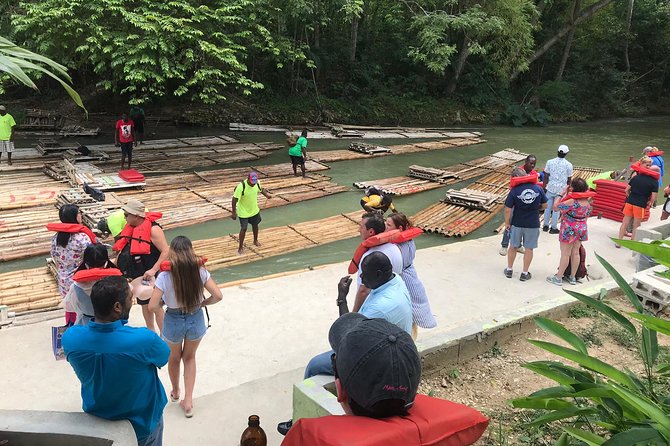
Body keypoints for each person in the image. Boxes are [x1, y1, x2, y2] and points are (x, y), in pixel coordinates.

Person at [278, 252, 411, 436]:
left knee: (315, 366)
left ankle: (300, 419)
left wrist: (342, 298)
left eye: (364, 273)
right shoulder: (395, 281)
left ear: (379, 274)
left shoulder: (380, 306)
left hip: (376, 356)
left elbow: (349, 340)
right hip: (393, 347)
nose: (361, 277)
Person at [62, 276, 170, 446]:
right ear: (117, 307)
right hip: (142, 423)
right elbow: (163, 357)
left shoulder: (71, 338)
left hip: (98, 421)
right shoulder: (143, 339)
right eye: (129, 298)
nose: (132, 301)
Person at [148, 236, 223, 418]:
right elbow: (218, 296)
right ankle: (188, 401)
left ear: (172, 252)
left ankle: (175, 392)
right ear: (191, 250)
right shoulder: (200, 272)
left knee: (174, 358)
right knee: (189, 358)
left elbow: (152, 306)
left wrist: (164, 306)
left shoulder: (165, 276)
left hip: (173, 319)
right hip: (195, 317)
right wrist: (203, 303)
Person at [112, 198, 169, 332]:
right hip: (139, 273)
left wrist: (154, 269)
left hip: (152, 272)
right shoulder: (132, 228)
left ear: (136, 215)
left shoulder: (154, 229)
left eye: (127, 215)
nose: (125, 218)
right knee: (144, 303)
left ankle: (164, 336)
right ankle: (151, 331)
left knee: (155, 306)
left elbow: (166, 251)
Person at [385, 213, 437, 339]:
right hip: (411, 276)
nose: (385, 226)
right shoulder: (409, 241)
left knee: (407, 314)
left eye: (388, 224)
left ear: (400, 229)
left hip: (405, 280)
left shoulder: (397, 247)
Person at [48, 204, 96, 324]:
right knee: (85, 308)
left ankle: (70, 328)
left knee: (69, 306)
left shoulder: (56, 238)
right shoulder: (82, 237)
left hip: (63, 278)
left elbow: (54, 257)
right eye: (79, 213)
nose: (81, 215)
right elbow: (91, 257)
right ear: (75, 216)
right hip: (80, 278)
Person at [351, 213, 403, 313]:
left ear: (371, 231)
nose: (359, 230)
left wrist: (354, 313)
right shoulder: (395, 249)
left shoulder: (369, 258)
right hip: (393, 302)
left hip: (375, 308)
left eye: (361, 227)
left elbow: (364, 291)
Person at [504, 168, 548, 281]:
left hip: (517, 222)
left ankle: (509, 270)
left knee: (513, 246)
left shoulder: (514, 191)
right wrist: (536, 208)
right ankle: (524, 273)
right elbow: (545, 205)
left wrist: (507, 223)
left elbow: (508, 209)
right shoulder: (538, 189)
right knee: (529, 248)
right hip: (533, 223)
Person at [546, 178, 592, 286]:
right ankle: (572, 277)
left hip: (569, 228)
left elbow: (556, 208)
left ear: (573, 188)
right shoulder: (587, 201)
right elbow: (587, 215)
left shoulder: (573, 201)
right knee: (575, 252)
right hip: (582, 228)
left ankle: (558, 277)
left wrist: (561, 194)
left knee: (565, 254)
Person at [64, 244, 122, 325]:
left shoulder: (76, 286)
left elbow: (71, 307)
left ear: (86, 264)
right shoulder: (118, 283)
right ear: (106, 262)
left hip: (86, 326)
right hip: (113, 326)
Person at [499, 154, 537, 256]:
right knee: (509, 223)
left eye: (534, 164)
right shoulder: (517, 173)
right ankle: (504, 245)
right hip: (515, 201)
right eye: (531, 163)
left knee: (520, 225)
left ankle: (519, 245)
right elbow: (513, 188)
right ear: (526, 162)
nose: (532, 166)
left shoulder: (533, 173)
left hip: (525, 203)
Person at [617, 160, 658, 244]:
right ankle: (632, 243)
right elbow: (653, 197)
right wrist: (650, 202)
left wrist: (630, 197)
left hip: (630, 202)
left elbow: (626, 190)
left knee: (624, 223)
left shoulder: (636, 177)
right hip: (640, 204)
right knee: (636, 225)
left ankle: (619, 242)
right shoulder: (654, 182)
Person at [231, 171, 272, 255]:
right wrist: (233, 212)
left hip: (254, 210)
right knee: (244, 228)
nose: (253, 184)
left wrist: (267, 195)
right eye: (252, 182)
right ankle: (240, 247)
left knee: (255, 225)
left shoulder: (257, 183)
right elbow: (234, 199)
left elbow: (261, 190)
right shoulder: (241, 186)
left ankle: (255, 240)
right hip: (243, 211)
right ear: (248, 179)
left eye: (254, 182)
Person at [543, 144, 573, 234]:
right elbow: (569, 180)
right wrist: (567, 192)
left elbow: (546, 175)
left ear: (557, 151)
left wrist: (544, 187)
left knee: (547, 208)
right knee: (557, 209)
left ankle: (545, 226)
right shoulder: (569, 165)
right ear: (566, 153)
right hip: (560, 190)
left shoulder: (549, 162)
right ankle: (553, 228)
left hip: (550, 188)